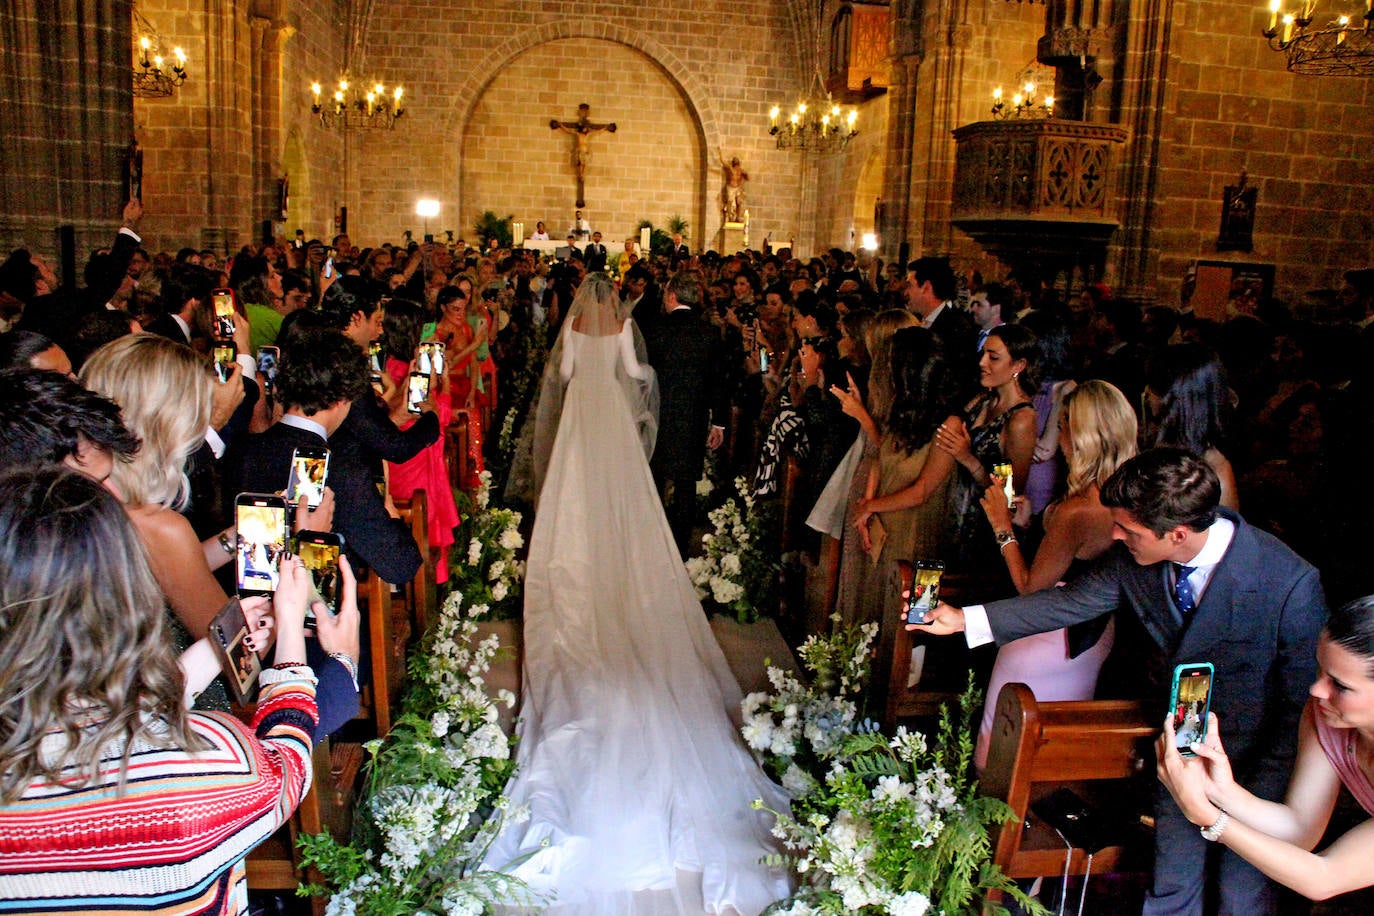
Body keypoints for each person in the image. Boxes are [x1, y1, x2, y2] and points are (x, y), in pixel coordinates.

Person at [484, 273, 790, 912]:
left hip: (579, 428)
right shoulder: (625, 328)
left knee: (573, 511)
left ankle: (580, 581)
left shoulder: (570, 330)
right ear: (616, 302)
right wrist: (635, 403)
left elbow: (563, 379)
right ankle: (621, 581)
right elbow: (641, 378)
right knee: (628, 514)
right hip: (614, 430)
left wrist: (589, 385)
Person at [913, 448, 1328, 915]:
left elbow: (1302, 701)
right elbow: (1067, 604)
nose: (1113, 534)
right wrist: (963, 619)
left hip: (1258, 768)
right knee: (1171, 886)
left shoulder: (1289, 581)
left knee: (1243, 894)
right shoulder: (1135, 559)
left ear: (1177, 534)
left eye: (1127, 529)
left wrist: (1268, 783)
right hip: (1179, 755)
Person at [0, 466, 354, 913]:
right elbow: (288, 767)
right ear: (128, 594)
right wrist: (306, 645)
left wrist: (213, 649)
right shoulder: (206, 759)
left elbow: (102, 719)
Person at [1157, 594, 1374, 902]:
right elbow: (1300, 830)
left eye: (1340, 685)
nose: (1316, 690)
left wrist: (1207, 816)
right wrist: (1221, 791)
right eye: (1319, 670)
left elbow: (1325, 878)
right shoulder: (1325, 714)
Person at [972, 380, 1137, 768]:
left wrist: (1002, 526)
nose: (1058, 434)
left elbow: (1030, 588)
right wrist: (1029, 524)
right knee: (1054, 737)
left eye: (1063, 425)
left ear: (1081, 437)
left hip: (1048, 632)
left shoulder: (1078, 510)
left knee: (1005, 739)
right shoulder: (1124, 498)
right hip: (1094, 631)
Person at [644, 272, 728, 557]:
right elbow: (719, 381)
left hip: (657, 415)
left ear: (671, 296)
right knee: (685, 484)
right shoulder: (710, 333)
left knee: (654, 479)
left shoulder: (654, 329)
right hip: (693, 418)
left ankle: (650, 540)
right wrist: (719, 423)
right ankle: (679, 549)